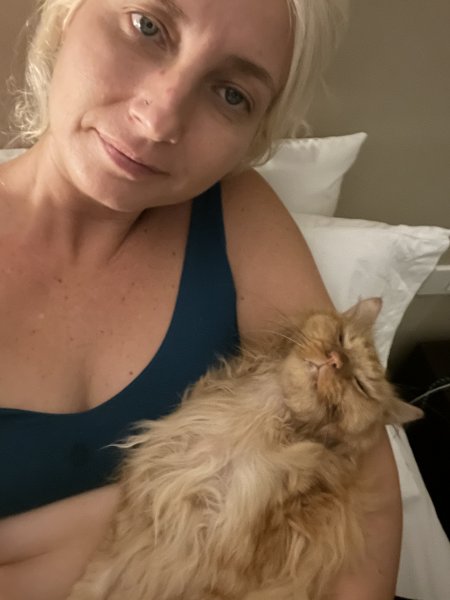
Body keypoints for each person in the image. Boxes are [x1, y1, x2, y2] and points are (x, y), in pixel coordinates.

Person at [0, 1, 403, 599]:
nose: (159, 119)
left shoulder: (237, 213)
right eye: (147, 27)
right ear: (67, 14)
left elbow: (365, 508)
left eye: (232, 94)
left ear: (253, 135)